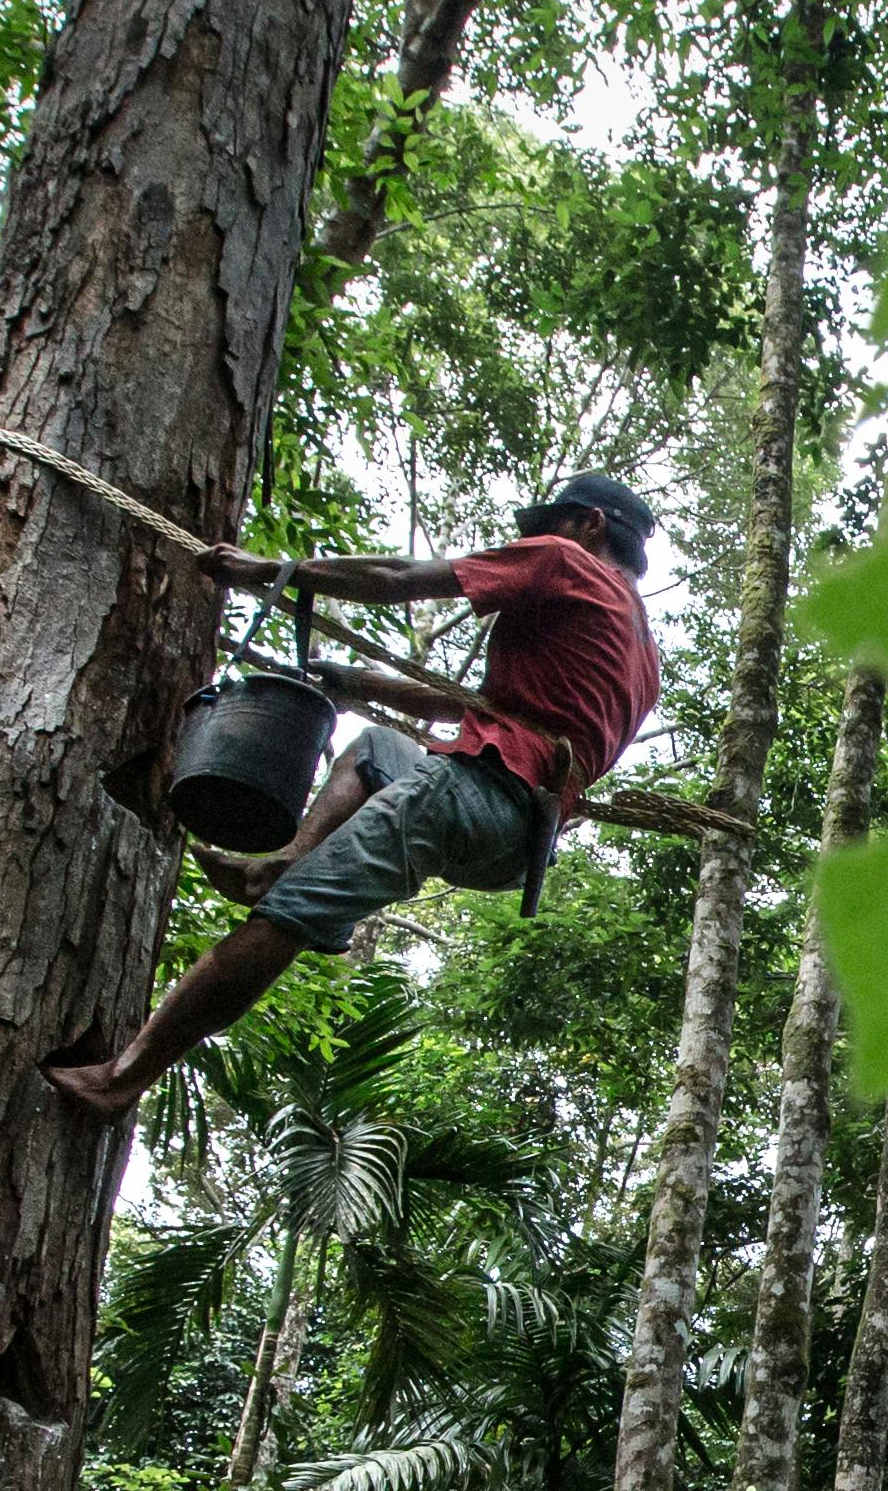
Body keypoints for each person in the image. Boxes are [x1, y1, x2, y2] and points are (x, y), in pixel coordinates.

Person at [49, 471, 661, 1116]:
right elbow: (495, 712)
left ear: (589, 523)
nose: (534, 538)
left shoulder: (566, 561)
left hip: (475, 788)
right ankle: (279, 863)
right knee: (376, 748)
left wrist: (275, 572)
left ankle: (119, 1080)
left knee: (291, 914)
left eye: (549, 524)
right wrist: (356, 681)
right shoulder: (639, 648)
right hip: (519, 841)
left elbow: (398, 579)